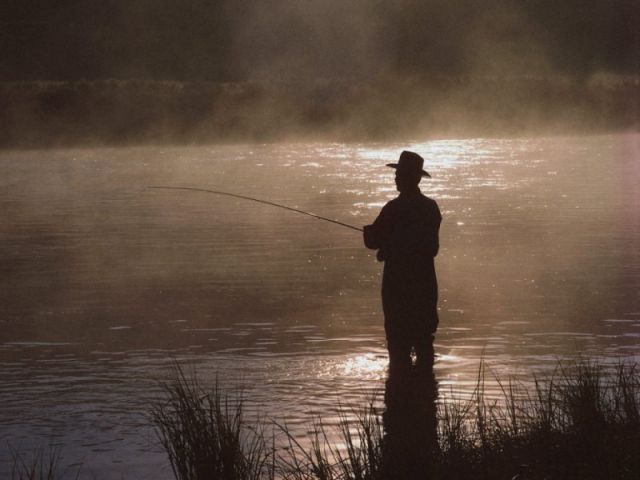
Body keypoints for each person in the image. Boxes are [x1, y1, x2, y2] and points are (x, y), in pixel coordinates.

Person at [363, 151, 441, 369]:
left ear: (409, 178)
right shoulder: (431, 208)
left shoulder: (393, 209)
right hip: (425, 284)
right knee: (425, 342)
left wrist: (371, 235)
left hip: (397, 286)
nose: (395, 178)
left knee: (398, 345)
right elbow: (431, 248)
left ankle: (399, 394)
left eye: (399, 175)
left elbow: (372, 242)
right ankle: (426, 395)